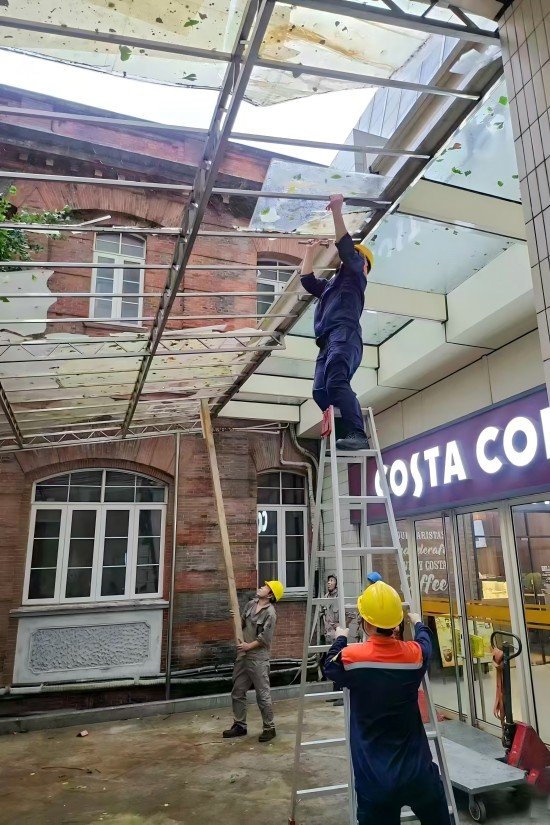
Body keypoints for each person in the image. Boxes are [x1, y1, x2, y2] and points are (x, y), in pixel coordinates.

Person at [324, 581, 452, 825]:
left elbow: (329, 666)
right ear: (396, 624)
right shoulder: (414, 656)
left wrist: (340, 638)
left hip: (376, 780)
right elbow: (426, 644)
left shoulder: (352, 658)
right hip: (419, 774)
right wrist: (418, 623)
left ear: (366, 623)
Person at [300, 193, 374, 451]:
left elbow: (345, 247)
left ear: (364, 265)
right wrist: (309, 251)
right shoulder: (332, 286)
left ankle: (358, 433)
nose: (350, 258)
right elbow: (307, 281)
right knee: (320, 391)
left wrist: (337, 211)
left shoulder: (356, 276)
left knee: (336, 382)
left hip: (344, 334)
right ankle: (343, 432)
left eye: (356, 256)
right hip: (326, 341)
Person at [222, 579, 284, 743]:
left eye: (265, 587)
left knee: (262, 694)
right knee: (237, 690)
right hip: (243, 655)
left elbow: (265, 639)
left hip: (258, 658)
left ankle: (269, 728)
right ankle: (240, 725)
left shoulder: (270, 613)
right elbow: (241, 624)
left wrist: (248, 646)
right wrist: (235, 619)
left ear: (270, 595)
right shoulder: (251, 604)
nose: (261, 587)